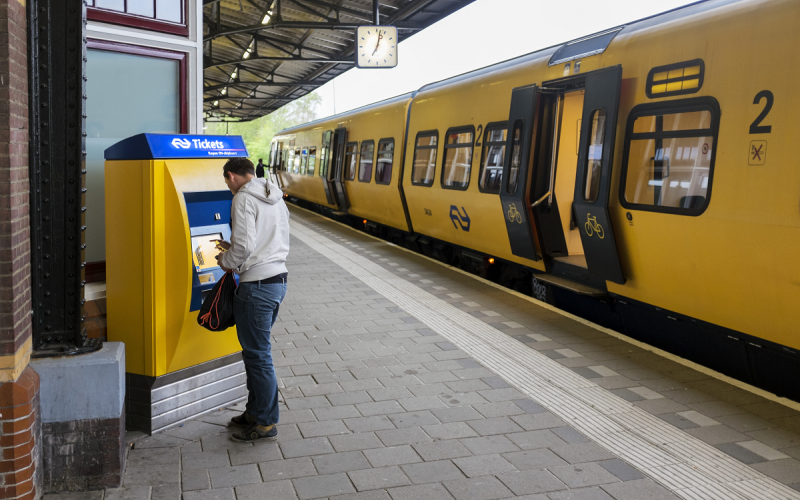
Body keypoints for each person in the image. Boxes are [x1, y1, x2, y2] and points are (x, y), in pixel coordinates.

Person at [215, 157, 290, 442]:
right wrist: (235, 248)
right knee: (255, 353)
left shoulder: (243, 198)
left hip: (256, 285)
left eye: (227, 182)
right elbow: (270, 238)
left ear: (232, 176)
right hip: (277, 280)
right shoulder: (274, 196)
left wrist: (226, 259)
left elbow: (245, 247)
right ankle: (254, 411)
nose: (228, 188)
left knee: (258, 356)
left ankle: (267, 422)